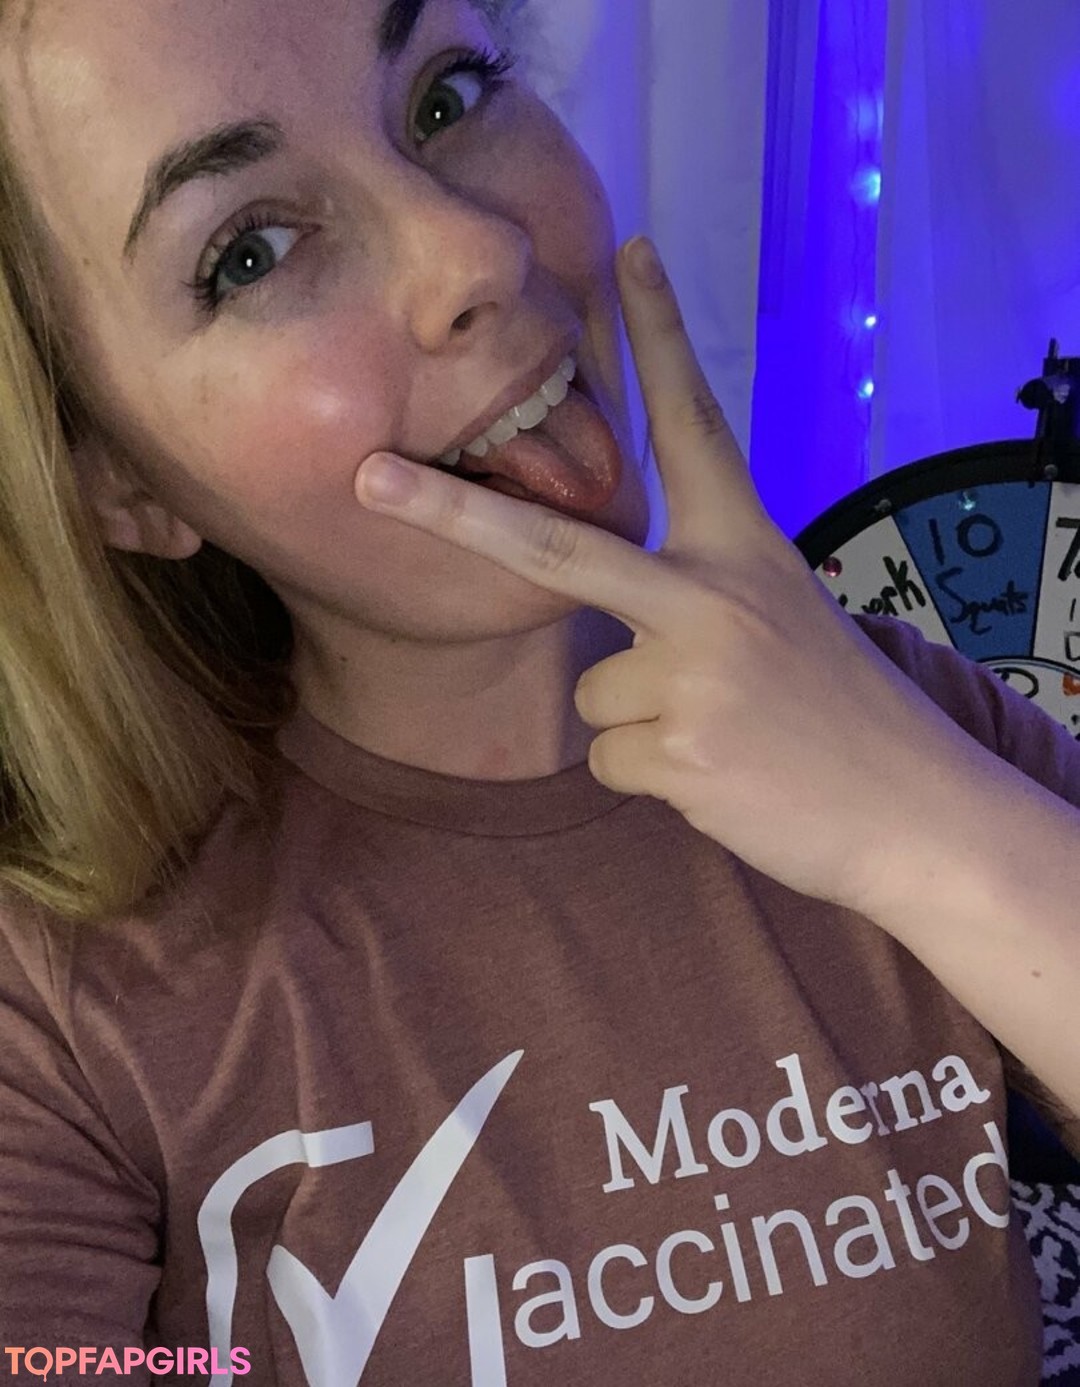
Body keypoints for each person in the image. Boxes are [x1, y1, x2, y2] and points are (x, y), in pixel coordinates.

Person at [0, 0, 1076, 1383]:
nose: (479, 253)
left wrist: (925, 833)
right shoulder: (63, 1000)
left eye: (448, 95)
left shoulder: (894, 712)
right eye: (250, 252)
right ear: (117, 483)